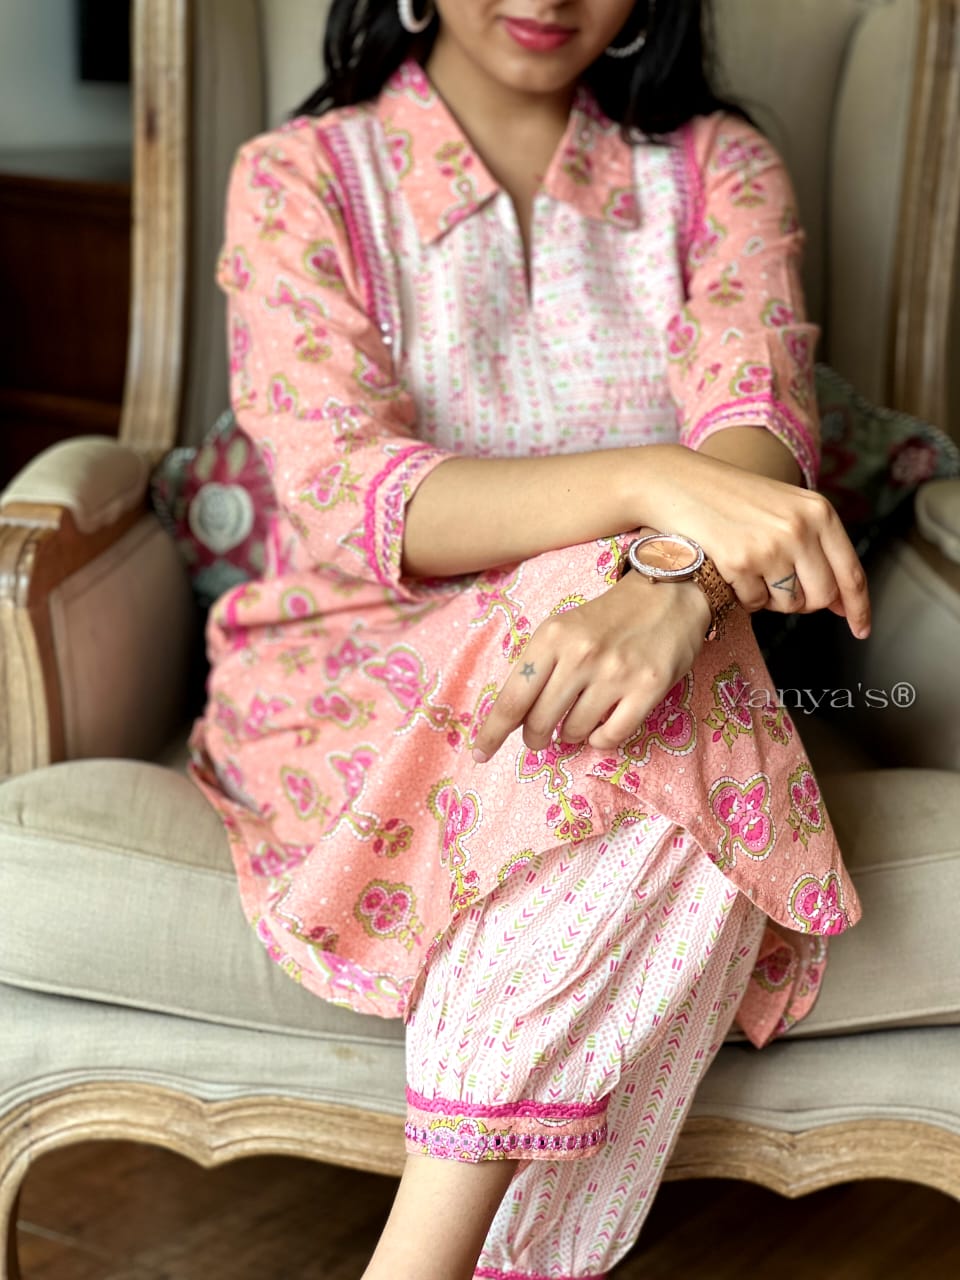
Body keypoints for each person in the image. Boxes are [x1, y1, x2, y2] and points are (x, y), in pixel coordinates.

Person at [188, 2, 871, 1276]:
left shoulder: (717, 168)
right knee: (659, 694)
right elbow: (350, 492)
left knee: (660, 681)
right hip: (354, 677)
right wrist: (653, 488)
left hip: (658, 649)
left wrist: (676, 585)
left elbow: (759, 427)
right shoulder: (301, 175)